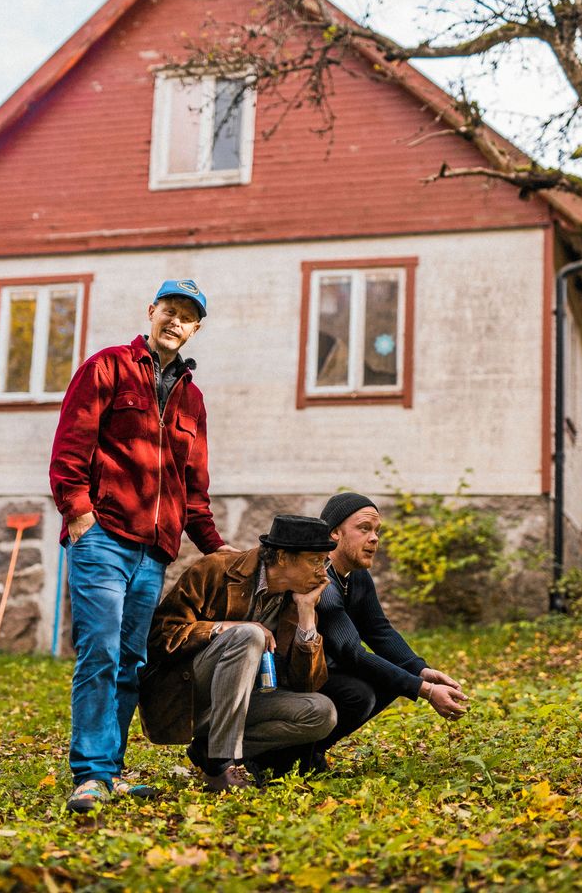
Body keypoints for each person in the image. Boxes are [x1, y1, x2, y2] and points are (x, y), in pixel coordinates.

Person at [49, 279, 234, 813]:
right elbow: (72, 444)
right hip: (103, 536)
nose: (176, 322)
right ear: (152, 311)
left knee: (131, 659)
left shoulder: (193, 399)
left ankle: (110, 770)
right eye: (169, 310)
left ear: (196, 329)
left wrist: (214, 547)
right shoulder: (107, 367)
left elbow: (193, 485)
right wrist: (78, 511)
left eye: (187, 317)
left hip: (155, 550)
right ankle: (91, 774)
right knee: (101, 650)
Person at [138, 515, 338, 791]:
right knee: (249, 635)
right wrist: (224, 628)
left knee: (321, 713)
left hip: (243, 703)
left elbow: (307, 684)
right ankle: (221, 765)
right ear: (282, 557)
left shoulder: (296, 600)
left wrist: (306, 613)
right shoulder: (216, 569)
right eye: (315, 561)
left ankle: (208, 751)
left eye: (324, 562)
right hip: (187, 697)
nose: (323, 574)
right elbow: (161, 637)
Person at [313, 492, 468, 768]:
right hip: (290, 681)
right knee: (359, 695)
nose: (374, 538)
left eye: (377, 531)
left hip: (327, 672)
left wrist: (420, 670)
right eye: (364, 529)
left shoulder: (356, 575)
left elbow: (378, 630)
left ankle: (310, 753)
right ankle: (290, 756)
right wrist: (425, 690)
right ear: (334, 533)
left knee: (397, 676)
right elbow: (352, 653)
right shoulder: (319, 581)